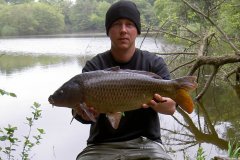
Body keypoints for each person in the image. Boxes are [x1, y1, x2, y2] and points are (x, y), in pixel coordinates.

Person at [73, 1, 176, 159]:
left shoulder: (154, 63)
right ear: (108, 30)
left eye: (129, 24)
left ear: (137, 30)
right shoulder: (94, 66)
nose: (123, 30)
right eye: (116, 24)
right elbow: (78, 113)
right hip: (101, 145)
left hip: (146, 143)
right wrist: (85, 115)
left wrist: (158, 104)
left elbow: (170, 108)